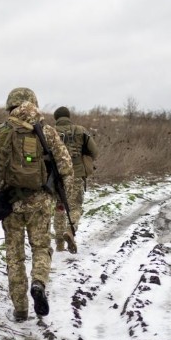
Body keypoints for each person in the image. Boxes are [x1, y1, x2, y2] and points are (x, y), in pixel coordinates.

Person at [0, 88, 74, 322]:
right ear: (34, 104)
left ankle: (20, 308)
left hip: (9, 204)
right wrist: (61, 199)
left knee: (14, 255)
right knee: (41, 247)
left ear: (10, 106)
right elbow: (66, 167)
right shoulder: (47, 132)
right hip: (40, 204)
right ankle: (39, 283)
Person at [52, 106, 99, 254]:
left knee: (59, 208)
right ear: (68, 116)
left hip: (56, 176)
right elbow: (95, 152)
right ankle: (70, 231)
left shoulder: (49, 131)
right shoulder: (81, 130)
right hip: (76, 174)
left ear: (56, 118)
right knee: (75, 207)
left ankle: (59, 244)